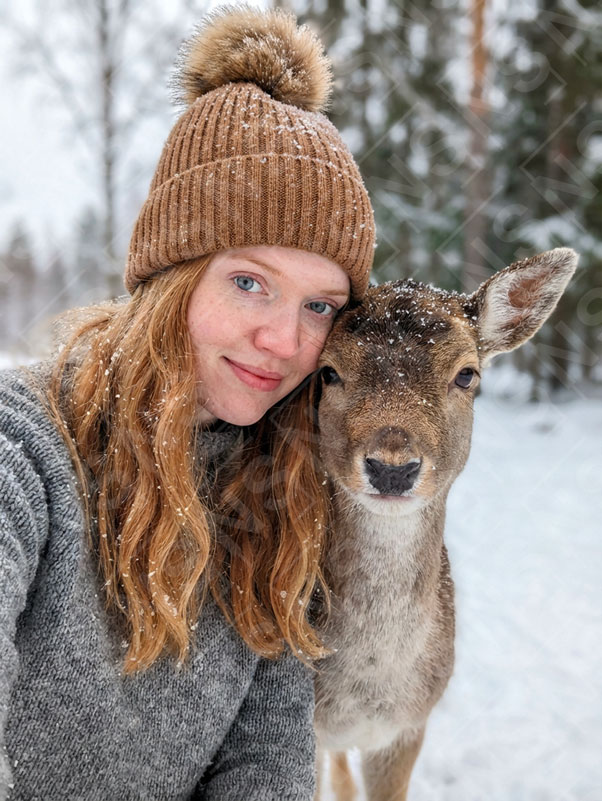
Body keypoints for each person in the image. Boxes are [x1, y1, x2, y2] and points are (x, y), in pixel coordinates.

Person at [0, 6, 375, 800]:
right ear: (171, 276)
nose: (284, 339)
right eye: (249, 281)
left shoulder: (281, 498)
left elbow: (265, 763)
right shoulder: (22, 444)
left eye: (320, 306)